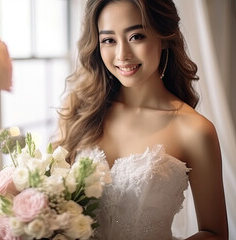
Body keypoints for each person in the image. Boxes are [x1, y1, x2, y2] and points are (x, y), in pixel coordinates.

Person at [54, 0, 228, 239]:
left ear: (165, 37)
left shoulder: (195, 130)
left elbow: (215, 233)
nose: (122, 54)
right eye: (108, 40)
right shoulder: (78, 111)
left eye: (136, 36)